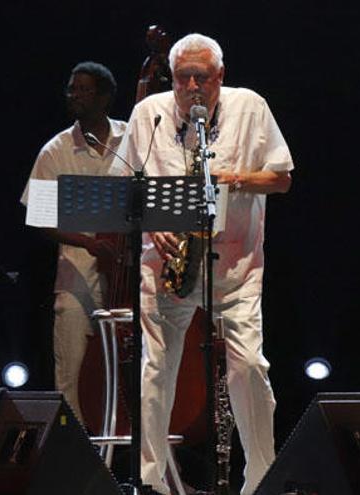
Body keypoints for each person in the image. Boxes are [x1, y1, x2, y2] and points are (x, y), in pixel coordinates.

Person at [111, 33, 293, 495]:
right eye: (182, 77)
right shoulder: (147, 114)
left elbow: (282, 178)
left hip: (235, 269)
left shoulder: (251, 107)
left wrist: (232, 178)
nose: (192, 86)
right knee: (154, 370)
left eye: (202, 77)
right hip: (165, 265)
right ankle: (151, 483)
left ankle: (261, 482)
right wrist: (154, 224)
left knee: (250, 368)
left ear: (221, 77)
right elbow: (122, 193)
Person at [21, 61, 124, 421]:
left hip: (129, 276)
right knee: (72, 373)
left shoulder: (130, 139)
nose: (75, 95)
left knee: (133, 372)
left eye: (84, 89)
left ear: (106, 97)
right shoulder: (56, 150)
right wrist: (88, 243)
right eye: (71, 89)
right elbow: (40, 218)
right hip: (76, 276)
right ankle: (76, 457)